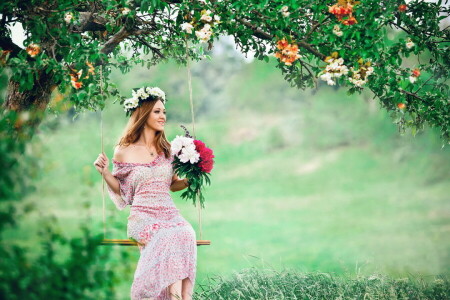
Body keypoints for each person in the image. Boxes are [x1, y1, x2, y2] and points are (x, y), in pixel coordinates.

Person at [93, 87, 196, 300]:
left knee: (186, 232)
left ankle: (178, 297)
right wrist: (104, 172)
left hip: (169, 212)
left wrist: (189, 180)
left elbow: (173, 184)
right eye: (157, 111)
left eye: (164, 112)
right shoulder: (124, 149)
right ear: (144, 113)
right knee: (167, 236)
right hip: (143, 216)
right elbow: (121, 188)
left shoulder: (168, 149)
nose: (163, 117)